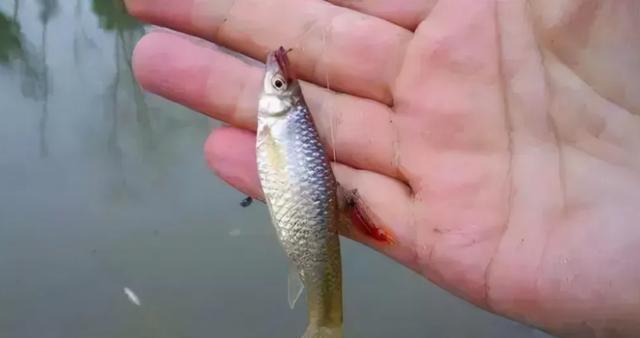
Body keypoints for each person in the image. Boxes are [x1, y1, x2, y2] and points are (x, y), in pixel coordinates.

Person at [123, 0, 640, 337]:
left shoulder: (281, 118)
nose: (274, 82)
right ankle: (325, 319)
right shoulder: (283, 122)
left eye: (279, 87)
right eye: (281, 86)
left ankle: (326, 322)